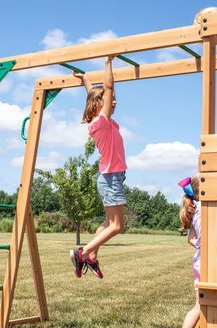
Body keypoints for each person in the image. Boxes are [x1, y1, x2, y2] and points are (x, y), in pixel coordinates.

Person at [70, 56, 127, 279]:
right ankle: (82, 253)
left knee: (107, 223)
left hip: (113, 177)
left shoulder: (106, 122)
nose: (113, 101)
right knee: (117, 226)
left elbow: (96, 94)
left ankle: (92, 257)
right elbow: (108, 87)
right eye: (109, 99)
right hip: (110, 177)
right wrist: (108, 63)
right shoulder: (101, 123)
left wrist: (85, 79)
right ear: (98, 105)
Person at [168, 175, 201, 328]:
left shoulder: (196, 209)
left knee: (198, 305)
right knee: (200, 306)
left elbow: (191, 238)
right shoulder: (207, 208)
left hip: (198, 261)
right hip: (205, 262)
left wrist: (202, 245)